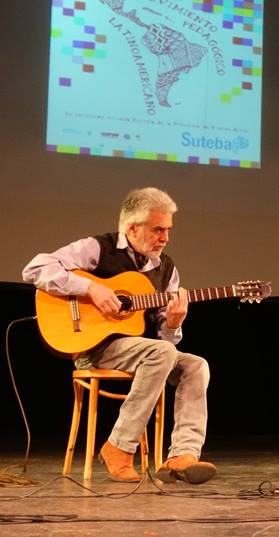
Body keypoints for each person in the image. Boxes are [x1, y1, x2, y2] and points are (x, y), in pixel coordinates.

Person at [23, 187, 216, 484]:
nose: (166, 238)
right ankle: (119, 446)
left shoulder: (166, 269)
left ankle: (182, 455)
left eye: (168, 230)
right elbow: (35, 268)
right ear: (133, 228)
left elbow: (165, 343)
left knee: (196, 365)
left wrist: (172, 324)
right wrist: (91, 288)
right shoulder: (98, 248)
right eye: (158, 229)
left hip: (142, 352)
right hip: (93, 347)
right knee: (161, 353)